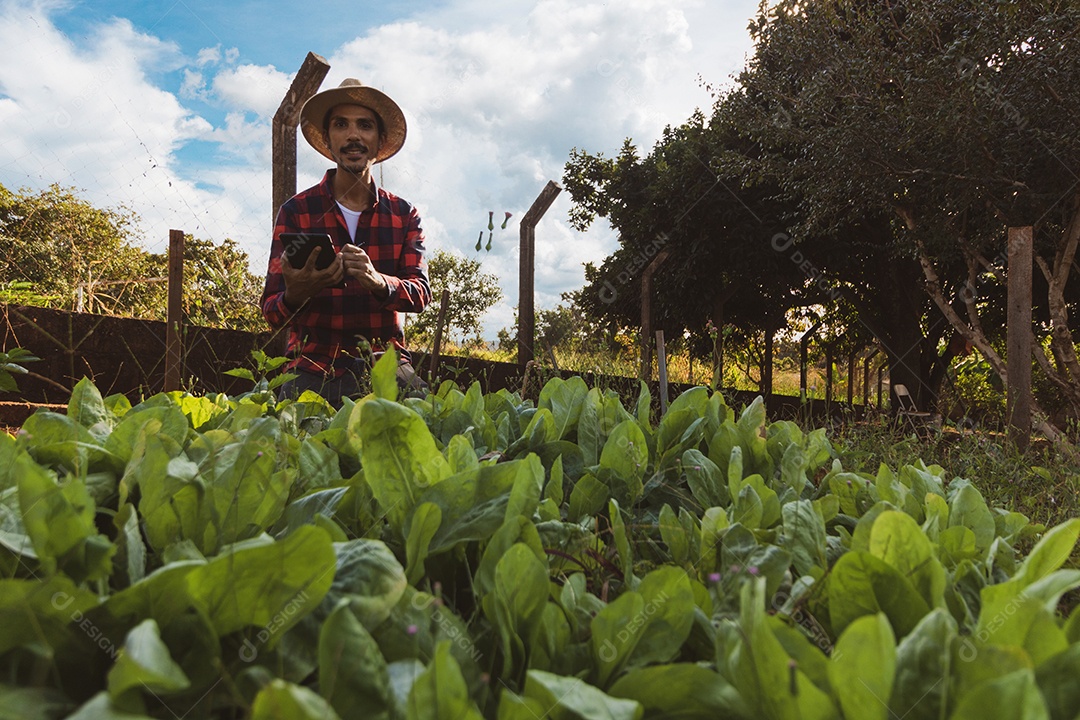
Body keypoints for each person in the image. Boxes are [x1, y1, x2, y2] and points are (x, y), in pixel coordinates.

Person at [261, 78, 431, 405]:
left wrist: (377, 281)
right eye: (341, 125)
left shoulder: (404, 214)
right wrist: (297, 292)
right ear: (328, 138)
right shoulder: (297, 211)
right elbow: (271, 312)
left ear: (379, 140)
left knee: (429, 428)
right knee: (291, 441)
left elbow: (421, 294)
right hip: (312, 364)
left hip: (386, 363)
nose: (353, 135)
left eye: (364, 125)